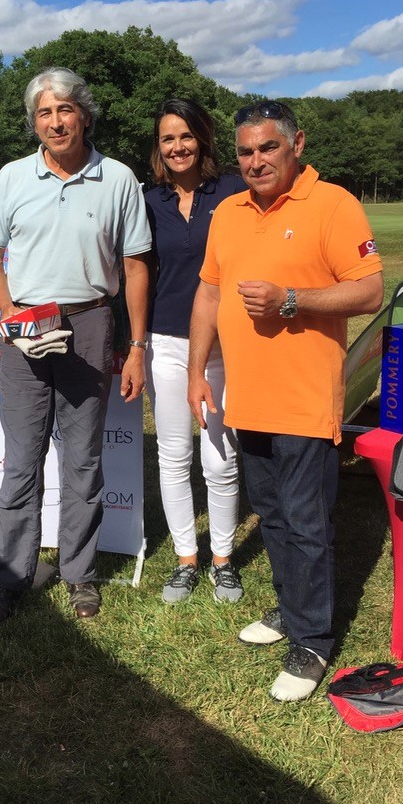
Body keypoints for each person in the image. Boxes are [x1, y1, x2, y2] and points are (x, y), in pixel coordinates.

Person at [188, 100, 383, 701]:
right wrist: (196, 371)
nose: (256, 161)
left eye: (268, 147)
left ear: (296, 144)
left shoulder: (333, 204)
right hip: (247, 398)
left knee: (306, 522)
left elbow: (370, 290)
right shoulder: (229, 212)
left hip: (304, 400)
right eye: (245, 152)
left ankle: (313, 640)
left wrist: (290, 301)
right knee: (272, 515)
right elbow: (209, 294)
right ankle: (291, 607)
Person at [0, 67, 151, 625]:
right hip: (24, 331)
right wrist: (8, 310)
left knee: (82, 461)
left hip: (91, 323)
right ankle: (10, 576)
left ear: (85, 116)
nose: (55, 122)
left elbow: (135, 266)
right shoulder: (11, 177)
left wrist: (137, 346)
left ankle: (79, 574)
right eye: (44, 113)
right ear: (34, 122)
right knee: (21, 462)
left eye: (65, 110)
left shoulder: (118, 177)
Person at [144, 98, 245, 605]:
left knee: (220, 458)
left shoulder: (233, 190)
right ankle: (187, 558)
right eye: (168, 138)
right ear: (158, 147)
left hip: (223, 345)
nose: (178, 147)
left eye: (186, 136)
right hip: (165, 342)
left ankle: (223, 559)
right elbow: (136, 272)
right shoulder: (149, 200)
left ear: (202, 139)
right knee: (173, 454)